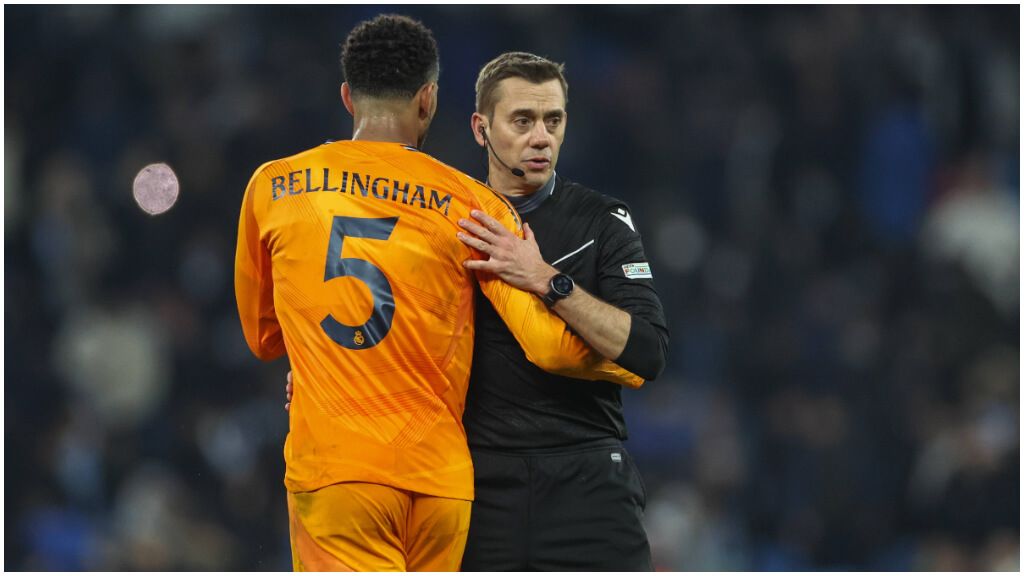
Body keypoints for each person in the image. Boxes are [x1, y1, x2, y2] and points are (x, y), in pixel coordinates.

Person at [236, 18, 641, 572]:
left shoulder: (275, 185)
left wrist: (316, 358)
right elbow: (548, 348)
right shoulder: (472, 206)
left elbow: (263, 338)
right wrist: (629, 359)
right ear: (428, 99)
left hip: (338, 471)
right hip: (440, 483)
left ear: (348, 97)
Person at [454, 52, 670, 571]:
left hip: (588, 478)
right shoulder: (448, 217)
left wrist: (545, 278)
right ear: (481, 129)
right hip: (480, 485)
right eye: (522, 121)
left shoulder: (603, 221)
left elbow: (648, 350)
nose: (542, 137)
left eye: (554, 120)